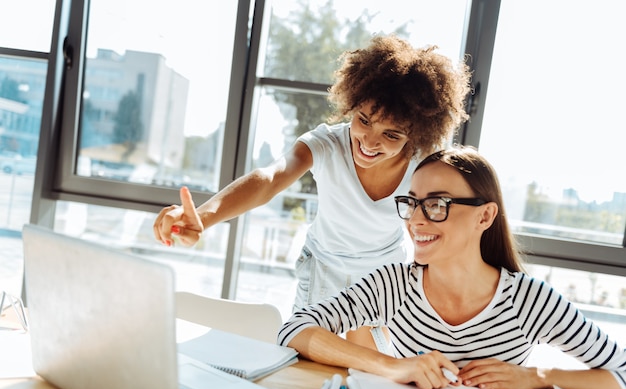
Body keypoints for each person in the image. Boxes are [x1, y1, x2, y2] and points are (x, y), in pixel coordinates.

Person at [153, 34, 471, 347]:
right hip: (322, 271)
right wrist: (205, 217)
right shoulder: (327, 144)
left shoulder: (424, 167)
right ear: (352, 104)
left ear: (414, 136)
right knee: (304, 362)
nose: (371, 142)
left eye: (391, 135)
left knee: (373, 371)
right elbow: (269, 179)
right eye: (364, 120)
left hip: (383, 281)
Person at [277, 146, 626, 389]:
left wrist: (535, 377)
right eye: (411, 202)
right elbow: (294, 328)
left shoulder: (529, 300)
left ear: (485, 217)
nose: (415, 219)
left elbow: (621, 373)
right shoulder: (393, 284)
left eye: (436, 204)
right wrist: (391, 366)